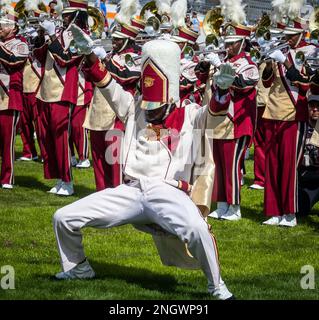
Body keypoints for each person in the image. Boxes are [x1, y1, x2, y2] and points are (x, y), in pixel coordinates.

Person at [52, 25, 234, 299]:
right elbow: (108, 84)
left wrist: (221, 90)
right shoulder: (135, 106)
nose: (149, 113)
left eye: (156, 108)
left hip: (168, 190)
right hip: (131, 190)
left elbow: (214, 113)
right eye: (147, 106)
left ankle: (216, 285)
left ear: (171, 99)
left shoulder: (189, 114)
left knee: (198, 228)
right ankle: (78, 268)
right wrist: (90, 54)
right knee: (63, 217)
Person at [261, 14, 317, 227]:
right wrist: (269, 61)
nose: (289, 39)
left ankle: (290, 212)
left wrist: (286, 61)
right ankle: (274, 211)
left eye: (292, 35)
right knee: (273, 165)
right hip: (272, 113)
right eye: (287, 35)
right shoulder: (281, 50)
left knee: (289, 167)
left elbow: (305, 83)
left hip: (294, 115)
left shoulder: (309, 52)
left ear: (302, 33)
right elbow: (267, 83)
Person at [34, 0, 94, 196]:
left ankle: (68, 181)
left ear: (77, 15)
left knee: (61, 139)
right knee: (47, 138)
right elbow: (39, 57)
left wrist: (51, 36)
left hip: (62, 91)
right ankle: (59, 178)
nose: (63, 17)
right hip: (45, 90)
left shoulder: (83, 37)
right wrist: (42, 37)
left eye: (68, 14)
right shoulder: (60, 33)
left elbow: (65, 59)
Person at [208, 23, 259, 221]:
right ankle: (221, 204)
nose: (227, 47)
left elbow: (240, 85)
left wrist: (220, 66)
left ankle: (235, 207)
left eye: (232, 43)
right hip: (219, 121)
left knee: (232, 167)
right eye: (226, 43)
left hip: (236, 123)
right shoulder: (225, 61)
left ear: (242, 43)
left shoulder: (249, 65)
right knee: (219, 166)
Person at [0, 5, 29, 189]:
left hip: (9, 98)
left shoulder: (21, 44)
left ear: (14, 27)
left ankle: (7, 178)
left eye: (3, 24)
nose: (0, 28)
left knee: (7, 141)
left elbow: (13, 62)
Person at [298, 77, 319, 216]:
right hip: (304, 176)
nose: (315, 109)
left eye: (318, 106)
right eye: (312, 106)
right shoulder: (299, 128)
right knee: (300, 210)